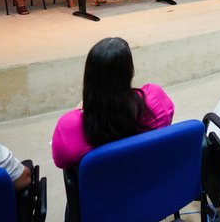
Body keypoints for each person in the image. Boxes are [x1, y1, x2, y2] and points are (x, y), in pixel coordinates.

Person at [51, 37, 175, 169]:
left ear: (88, 78)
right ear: (130, 72)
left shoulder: (69, 126)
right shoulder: (155, 99)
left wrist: (78, 111)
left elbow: (61, 161)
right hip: (150, 175)